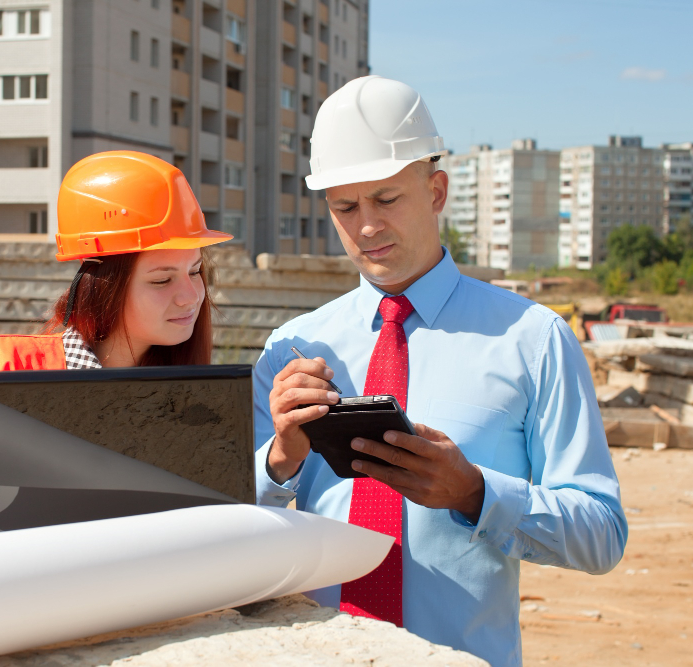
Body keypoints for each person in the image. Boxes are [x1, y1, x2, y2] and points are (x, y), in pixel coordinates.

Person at [253, 76, 627, 667]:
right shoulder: (291, 351)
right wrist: (280, 460)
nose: (367, 226)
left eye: (386, 198)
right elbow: (235, 534)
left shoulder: (532, 341)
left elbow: (602, 534)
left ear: (436, 191)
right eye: (344, 206)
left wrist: (476, 494)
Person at [0, 151, 231, 373]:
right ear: (102, 286)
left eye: (195, 272)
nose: (191, 297)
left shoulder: (196, 401)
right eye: (162, 280)